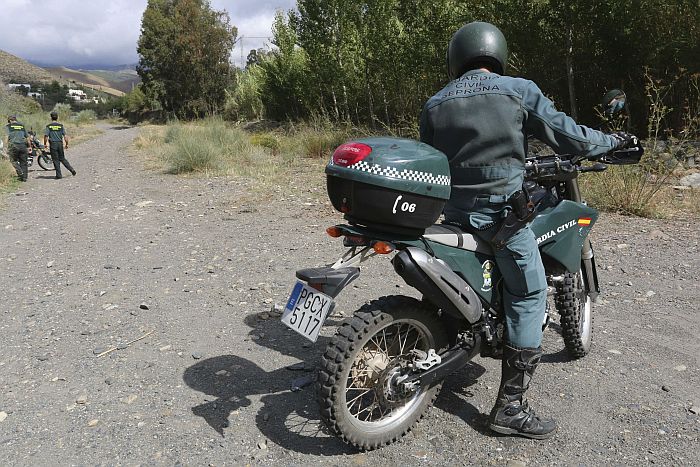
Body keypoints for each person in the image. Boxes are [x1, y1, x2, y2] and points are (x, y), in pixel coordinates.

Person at [419, 22, 640, 439]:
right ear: (496, 53)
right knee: (529, 292)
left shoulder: (435, 103)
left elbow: (433, 159)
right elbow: (568, 135)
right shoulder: (517, 90)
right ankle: (510, 408)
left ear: (457, 58)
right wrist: (611, 141)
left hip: (450, 217)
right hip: (501, 218)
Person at [43, 111, 76, 179]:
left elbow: (46, 136)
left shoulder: (49, 126)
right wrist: (66, 144)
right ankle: (71, 169)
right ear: (57, 117)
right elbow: (65, 136)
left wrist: (45, 144)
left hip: (53, 144)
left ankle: (59, 175)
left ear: (51, 118)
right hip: (60, 144)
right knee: (62, 158)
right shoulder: (61, 126)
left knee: (55, 160)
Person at [4, 115, 31, 182]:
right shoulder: (22, 126)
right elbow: (27, 137)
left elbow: (6, 137)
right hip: (23, 145)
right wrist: (29, 146)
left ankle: (20, 172)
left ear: (10, 120)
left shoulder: (8, 126)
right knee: (24, 162)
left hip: (13, 145)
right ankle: (24, 178)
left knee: (13, 160)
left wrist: (5, 146)